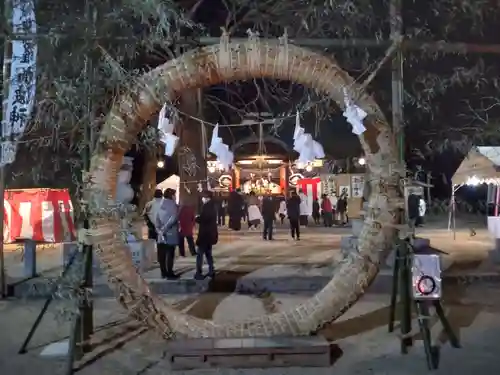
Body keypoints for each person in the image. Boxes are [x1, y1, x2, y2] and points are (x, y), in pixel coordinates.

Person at [156, 188, 179, 279]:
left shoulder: (159, 204)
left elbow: (156, 218)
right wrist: (165, 229)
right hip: (170, 233)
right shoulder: (173, 205)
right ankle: (169, 273)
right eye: (174, 195)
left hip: (160, 234)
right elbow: (173, 218)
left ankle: (163, 272)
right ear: (172, 196)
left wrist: (159, 230)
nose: (175, 196)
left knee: (162, 254)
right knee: (170, 254)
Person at [194, 190, 218, 280]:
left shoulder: (208, 206)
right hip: (210, 233)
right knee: (208, 253)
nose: (202, 198)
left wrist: (197, 218)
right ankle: (211, 270)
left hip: (205, 234)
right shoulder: (212, 205)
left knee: (200, 254)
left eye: (203, 197)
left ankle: (198, 272)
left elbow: (205, 218)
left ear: (207, 197)